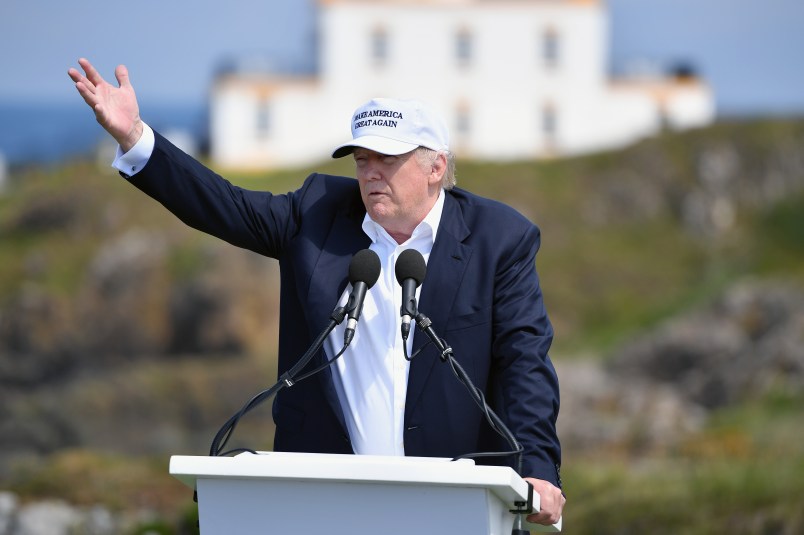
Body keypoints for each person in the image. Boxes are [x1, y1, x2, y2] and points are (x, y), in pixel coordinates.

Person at [68, 58, 565, 525]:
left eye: (387, 160)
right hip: (326, 502)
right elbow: (223, 206)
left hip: (454, 504)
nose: (370, 172)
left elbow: (525, 361)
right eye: (362, 158)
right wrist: (135, 136)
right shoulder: (317, 214)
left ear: (435, 167)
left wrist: (539, 469)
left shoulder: (500, 239)